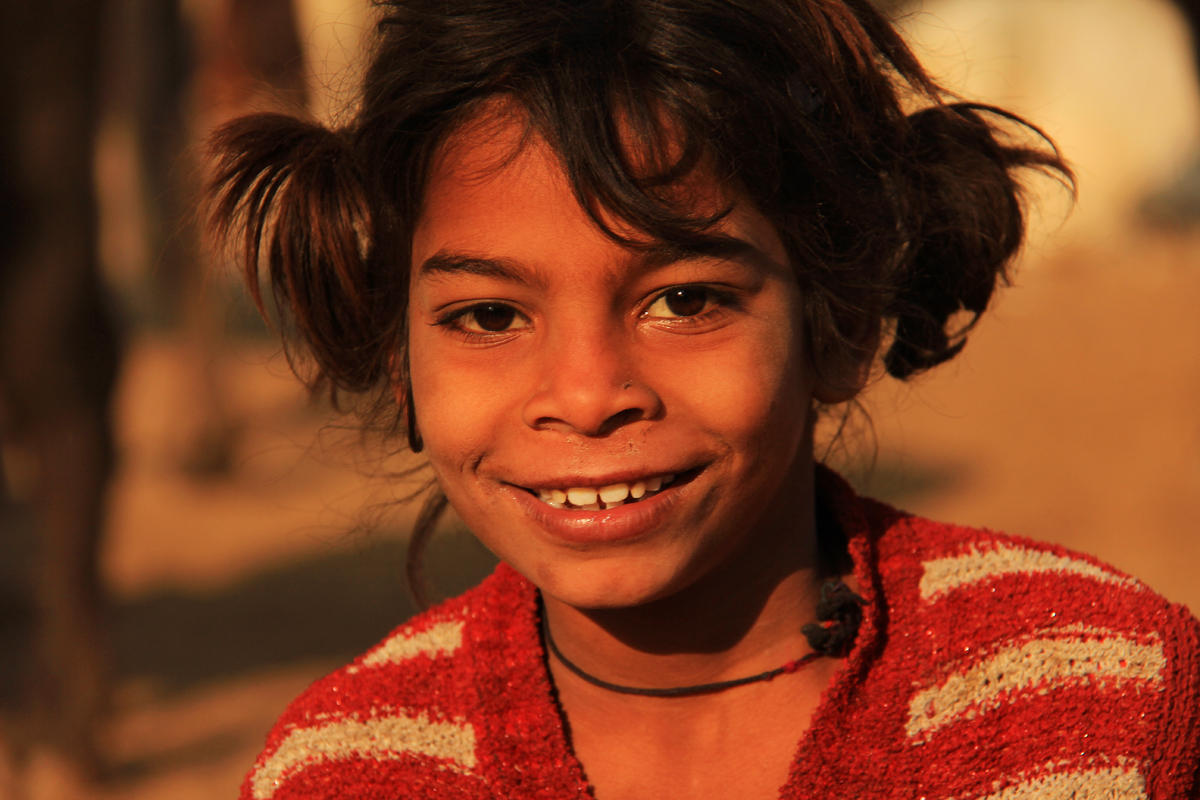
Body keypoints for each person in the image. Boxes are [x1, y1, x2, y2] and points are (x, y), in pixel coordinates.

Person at [207, 1, 1200, 798]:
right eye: (489, 316)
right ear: (399, 355)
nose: (589, 394)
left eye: (684, 300)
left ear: (839, 321)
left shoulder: (1098, 701)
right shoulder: (347, 770)